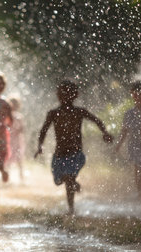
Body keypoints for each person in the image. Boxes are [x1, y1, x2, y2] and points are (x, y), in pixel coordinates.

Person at [34, 80, 113, 214]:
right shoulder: (53, 113)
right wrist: (40, 146)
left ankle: (71, 209)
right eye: (62, 94)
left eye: (69, 94)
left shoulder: (79, 112)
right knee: (59, 181)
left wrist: (105, 133)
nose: (65, 97)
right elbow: (43, 130)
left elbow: (96, 120)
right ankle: (73, 185)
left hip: (75, 154)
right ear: (58, 96)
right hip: (59, 154)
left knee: (69, 180)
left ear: (75, 95)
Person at [7, 97, 26, 181]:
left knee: (19, 158)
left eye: (15, 105)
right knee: (8, 157)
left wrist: (18, 130)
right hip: (9, 139)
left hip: (17, 140)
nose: (13, 106)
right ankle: (7, 176)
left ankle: (21, 176)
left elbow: (22, 129)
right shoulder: (6, 115)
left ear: (17, 106)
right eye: (11, 104)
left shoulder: (19, 116)